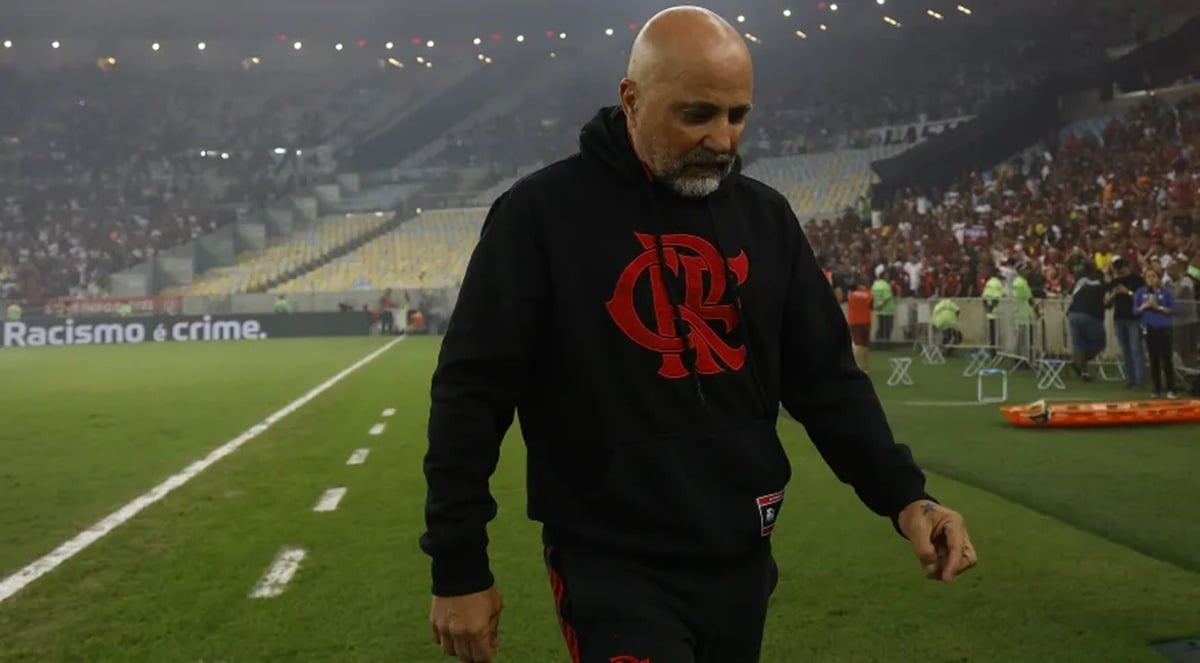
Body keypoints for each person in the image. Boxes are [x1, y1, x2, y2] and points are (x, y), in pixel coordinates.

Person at [419, 7, 977, 663]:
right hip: (613, 565)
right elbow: (470, 394)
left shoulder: (765, 219)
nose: (722, 137)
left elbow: (827, 383)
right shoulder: (540, 216)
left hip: (742, 558)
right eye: (697, 114)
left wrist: (908, 499)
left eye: (737, 114)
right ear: (632, 100)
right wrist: (458, 565)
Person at [1135, 267, 1178, 398]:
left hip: (1164, 328)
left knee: (1166, 359)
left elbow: (1173, 310)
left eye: (1153, 276)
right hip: (1149, 328)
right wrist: (1144, 306)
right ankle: (1157, 389)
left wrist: (1157, 307)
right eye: (1148, 276)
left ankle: (1171, 389)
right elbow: (1135, 311)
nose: (1151, 279)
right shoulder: (1141, 292)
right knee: (1153, 359)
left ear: (1158, 278)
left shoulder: (1166, 293)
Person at [1103, 257, 1145, 388]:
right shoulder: (1115, 282)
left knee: (1136, 349)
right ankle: (1131, 379)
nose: (1120, 274)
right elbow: (1107, 304)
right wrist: (1112, 295)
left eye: (1122, 270)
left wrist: (1128, 292)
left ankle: (1139, 380)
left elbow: (1143, 299)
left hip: (1134, 318)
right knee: (1125, 350)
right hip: (1119, 318)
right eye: (1117, 271)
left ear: (1128, 267)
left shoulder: (1137, 280)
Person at [1066, 263, 1107, 382]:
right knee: (1100, 344)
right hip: (1090, 314)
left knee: (1080, 344)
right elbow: (1106, 302)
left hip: (1073, 313)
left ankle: (1084, 372)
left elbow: (1070, 293)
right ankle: (1079, 363)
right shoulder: (1101, 284)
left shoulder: (1081, 282)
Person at [845, 273, 873, 371]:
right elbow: (873, 306)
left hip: (854, 321)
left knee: (858, 344)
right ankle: (866, 367)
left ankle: (854, 364)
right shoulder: (868, 293)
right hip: (866, 321)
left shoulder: (851, 294)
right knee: (865, 345)